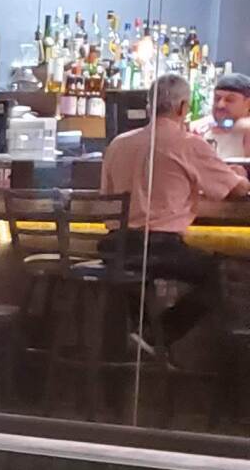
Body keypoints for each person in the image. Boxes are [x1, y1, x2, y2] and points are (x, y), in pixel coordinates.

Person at [100, 74, 250, 351]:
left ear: (149, 105)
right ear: (183, 108)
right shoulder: (189, 144)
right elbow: (238, 191)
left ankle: (142, 340)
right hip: (160, 248)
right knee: (223, 274)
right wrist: (238, 175)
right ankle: (156, 337)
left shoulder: (117, 144)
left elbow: (106, 198)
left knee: (136, 280)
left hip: (115, 247)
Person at [207, 71, 250, 162]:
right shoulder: (203, 128)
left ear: (248, 104)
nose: (220, 105)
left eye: (230, 100)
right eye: (217, 99)